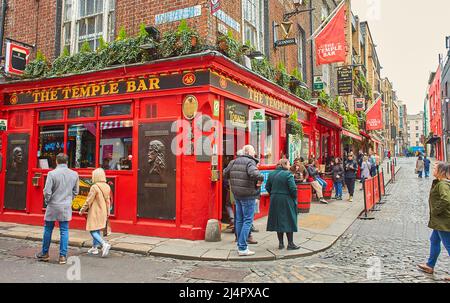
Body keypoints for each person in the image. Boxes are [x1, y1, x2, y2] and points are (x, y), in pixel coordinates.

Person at [35, 153, 79, 265]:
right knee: (64, 230)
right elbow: (76, 191)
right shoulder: (74, 174)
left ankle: (45, 254)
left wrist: (48, 201)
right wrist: (69, 199)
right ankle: (63, 256)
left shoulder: (51, 174)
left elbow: (47, 191)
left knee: (48, 229)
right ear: (67, 162)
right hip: (65, 206)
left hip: (53, 205)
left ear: (56, 161)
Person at [223, 145, 264, 257]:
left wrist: (234, 184)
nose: (255, 152)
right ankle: (242, 247)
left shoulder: (233, 162)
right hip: (248, 195)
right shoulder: (250, 162)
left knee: (239, 220)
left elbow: (224, 173)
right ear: (248, 152)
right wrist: (261, 178)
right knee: (247, 221)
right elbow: (254, 174)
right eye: (254, 150)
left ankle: (240, 245)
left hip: (237, 195)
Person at [418, 162, 450, 282]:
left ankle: (430, 265)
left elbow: (446, 200)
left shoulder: (442, 184)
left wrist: (436, 211)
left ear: (441, 171)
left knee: (449, 245)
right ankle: (430, 265)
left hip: (443, 221)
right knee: (434, 240)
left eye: (435, 168)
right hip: (440, 221)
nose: (433, 169)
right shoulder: (441, 182)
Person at [266, 159, 301, 250]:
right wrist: (294, 197)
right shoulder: (288, 174)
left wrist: (273, 194)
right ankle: (290, 244)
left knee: (278, 220)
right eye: (289, 164)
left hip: (274, 200)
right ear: (285, 164)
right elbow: (293, 189)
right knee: (289, 220)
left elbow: (267, 187)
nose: (290, 166)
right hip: (286, 199)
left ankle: (281, 244)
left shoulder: (271, 174)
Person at [79, 168, 112, 257]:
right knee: (96, 228)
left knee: (92, 229)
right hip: (104, 211)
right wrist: (108, 212)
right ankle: (94, 248)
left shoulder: (94, 187)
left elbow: (89, 200)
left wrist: (82, 210)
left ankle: (104, 244)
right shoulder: (107, 186)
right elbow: (108, 201)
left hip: (95, 211)